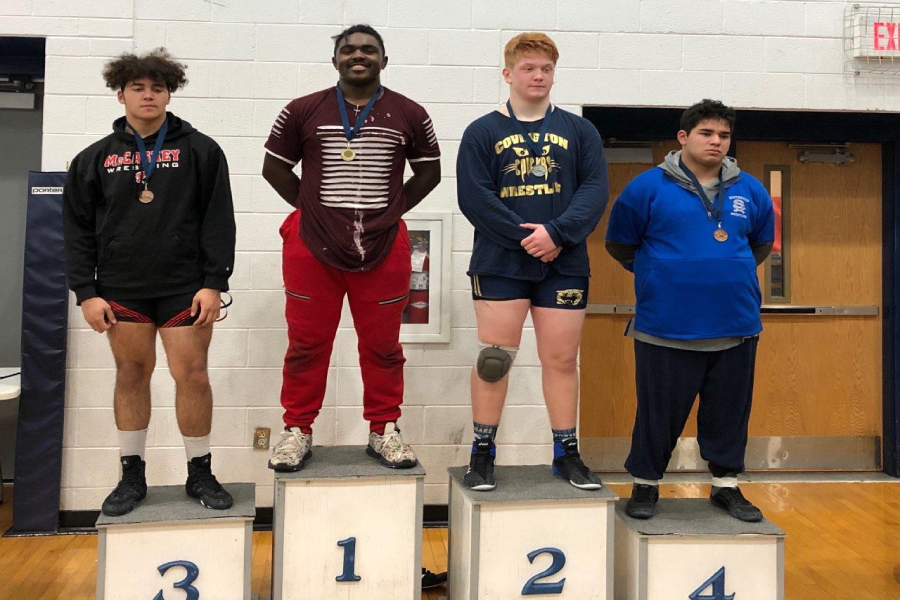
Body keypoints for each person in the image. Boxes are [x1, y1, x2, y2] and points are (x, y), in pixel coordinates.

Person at [63, 48, 236, 516]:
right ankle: (131, 475)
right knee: (132, 374)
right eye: (138, 87)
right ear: (120, 94)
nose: (147, 95)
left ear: (168, 93)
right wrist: (87, 291)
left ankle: (199, 471)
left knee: (192, 375)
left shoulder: (201, 149)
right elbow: (76, 229)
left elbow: (218, 220)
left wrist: (213, 283)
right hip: (121, 290)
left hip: (186, 287)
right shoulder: (93, 158)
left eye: (156, 88)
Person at [262, 25, 441, 472]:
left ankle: (384, 429)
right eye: (348, 49)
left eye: (368, 49)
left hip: (383, 246)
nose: (358, 55)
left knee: (383, 346)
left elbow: (429, 174)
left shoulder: (411, 113)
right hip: (310, 247)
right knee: (305, 345)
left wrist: (388, 210)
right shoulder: (301, 110)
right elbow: (274, 169)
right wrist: (313, 210)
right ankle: (297, 430)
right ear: (335, 59)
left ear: (384, 58)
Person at [605, 99, 774, 522]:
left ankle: (726, 486)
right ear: (683, 137)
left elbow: (760, 244)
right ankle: (645, 484)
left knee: (729, 414)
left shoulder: (750, 189)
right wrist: (663, 272)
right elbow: (621, 244)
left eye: (723, 135)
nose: (716, 142)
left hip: (734, 324)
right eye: (706, 133)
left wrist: (721, 271)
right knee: (658, 415)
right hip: (666, 325)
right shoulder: (646, 188)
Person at [456, 33, 609, 491]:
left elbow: (595, 190)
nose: (538, 76)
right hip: (501, 261)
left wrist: (557, 234)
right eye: (528, 68)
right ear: (508, 74)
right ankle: (483, 453)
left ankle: (566, 453)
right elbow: (475, 197)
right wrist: (528, 238)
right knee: (493, 360)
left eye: (545, 68)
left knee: (561, 360)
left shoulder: (580, 131)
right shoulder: (483, 131)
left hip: (563, 263)